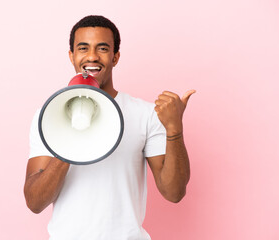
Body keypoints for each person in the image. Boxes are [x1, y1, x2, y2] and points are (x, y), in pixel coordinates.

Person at [24, 15, 195, 240]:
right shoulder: (49, 116)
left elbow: (174, 193)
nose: (92, 56)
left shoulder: (145, 114)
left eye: (102, 48)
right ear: (72, 56)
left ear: (115, 57)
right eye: (83, 48)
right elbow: (35, 202)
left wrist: (174, 131)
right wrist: (69, 141)